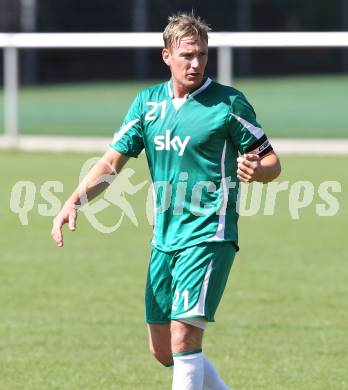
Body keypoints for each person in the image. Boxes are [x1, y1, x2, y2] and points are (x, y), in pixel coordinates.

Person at [52, 12, 281, 390]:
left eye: (202, 55)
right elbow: (111, 162)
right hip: (164, 239)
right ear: (167, 56)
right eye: (187, 55)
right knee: (164, 351)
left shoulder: (228, 104)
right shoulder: (147, 104)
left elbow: (272, 161)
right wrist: (74, 201)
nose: (196, 63)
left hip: (210, 234)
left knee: (184, 338)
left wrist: (257, 169)